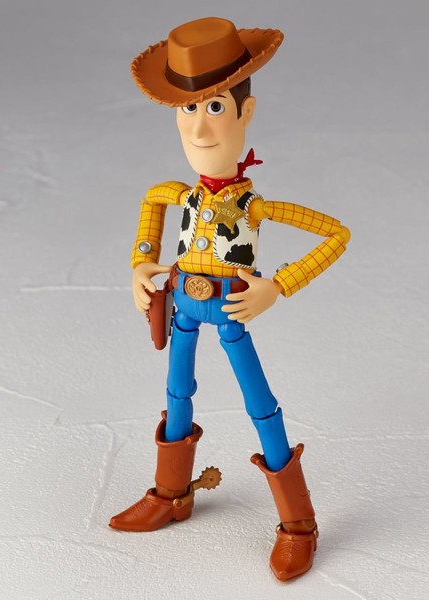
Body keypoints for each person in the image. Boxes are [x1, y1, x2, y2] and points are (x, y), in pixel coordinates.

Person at [109, 17, 350, 581]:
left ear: (246, 112)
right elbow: (151, 206)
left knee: (261, 407)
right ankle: (171, 493)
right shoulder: (179, 193)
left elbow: (335, 233)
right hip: (183, 309)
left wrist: (279, 284)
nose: (199, 128)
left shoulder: (254, 207)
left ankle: (298, 523)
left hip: (231, 312)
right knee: (177, 393)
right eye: (188, 108)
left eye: (215, 107)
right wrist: (141, 261)